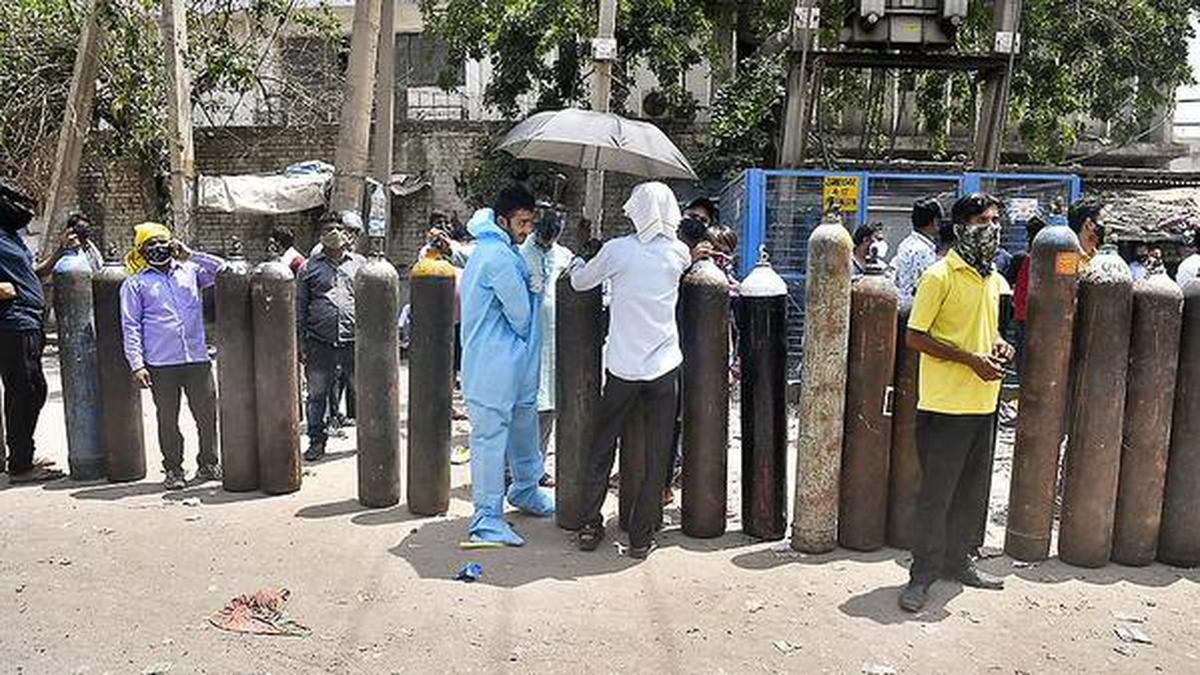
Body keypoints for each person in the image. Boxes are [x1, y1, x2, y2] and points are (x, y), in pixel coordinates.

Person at [570, 181, 703, 560]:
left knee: (602, 444)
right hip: (664, 369)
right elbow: (685, 264)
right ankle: (641, 536)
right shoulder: (679, 253)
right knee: (658, 453)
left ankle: (589, 523)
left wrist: (582, 259)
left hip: (622, 368)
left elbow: (581, 283)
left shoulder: (616, 251)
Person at [898, 192, 1013, 613]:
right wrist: (970, 360)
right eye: (985, 220)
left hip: (984, 402)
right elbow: (915, 336)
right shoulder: (939, 276)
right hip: (945, 405)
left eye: (996, 219)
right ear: (963, 227)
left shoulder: (991, 277)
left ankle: (959, 561)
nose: (994, 227)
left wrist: (1001, 350)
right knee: (937, 494)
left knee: (970, 492)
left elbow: (989, 333)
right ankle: (921, 576)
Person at [459, 184, 554, 545]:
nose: (527, 229)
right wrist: (533, 292)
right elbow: (517, 315)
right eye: (522, 222)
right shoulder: (497, 257)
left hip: (507, 364)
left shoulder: (496, 250)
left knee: (522, 427)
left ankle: (527, 489)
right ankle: (486, 517)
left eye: (530, 222)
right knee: (489, 439)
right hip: (493, 364)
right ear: (502, 220)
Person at [119, 222, 226, 489]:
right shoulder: (135, 284)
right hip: (161, 363)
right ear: (141, 251)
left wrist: (191, 255)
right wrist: (136, 364)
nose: (157, 249)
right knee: (168, 419)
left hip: (197, 360)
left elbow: (224, 270)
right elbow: (130, 325)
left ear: (172, 244)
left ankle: (209, 463)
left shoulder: (191, 272)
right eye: (150, 245)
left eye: (162, 243)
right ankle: (174, 470)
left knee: (206, 415)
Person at [0, 181, 66, 482]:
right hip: (12, 321)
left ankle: (20, 454)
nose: (24, 210)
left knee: (28, 390)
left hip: (29, 319)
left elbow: (31, 272)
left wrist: (59, 253)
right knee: (26, 389)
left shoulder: (10, 236)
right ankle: (21, 465)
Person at [296, 212, 365, 462]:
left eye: (337, 228)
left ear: (347, 234)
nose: (333, 233)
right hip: (319, 341)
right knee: (317, 394)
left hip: (354, 342)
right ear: (320, 236)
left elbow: (369, 302)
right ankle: (316, 441)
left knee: (363, 392)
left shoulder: (360, 264)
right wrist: (301, 343)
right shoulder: (308, 268)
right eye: (327, 230)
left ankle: (368, 440)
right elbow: (300, 307)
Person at [519, 206, 574, 486]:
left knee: (548, 406)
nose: (547, 240)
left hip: (554, 343)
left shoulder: (565, 257)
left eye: (553, 235)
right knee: (522, 406)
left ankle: (537, 468)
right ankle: (512, 469)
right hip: (524, 342)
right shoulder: (518, 255)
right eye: (544, 234)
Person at [891, 198, 944, 307]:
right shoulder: (922, 251)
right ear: (935, 221)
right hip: (916, 311)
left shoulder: (906, 243)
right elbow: (926, 289)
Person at [1068, 200, 1105, 266]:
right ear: (1089, 224)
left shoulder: (1101, 259)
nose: (1105, 226)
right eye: (1102, 221)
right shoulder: (1068, 258)